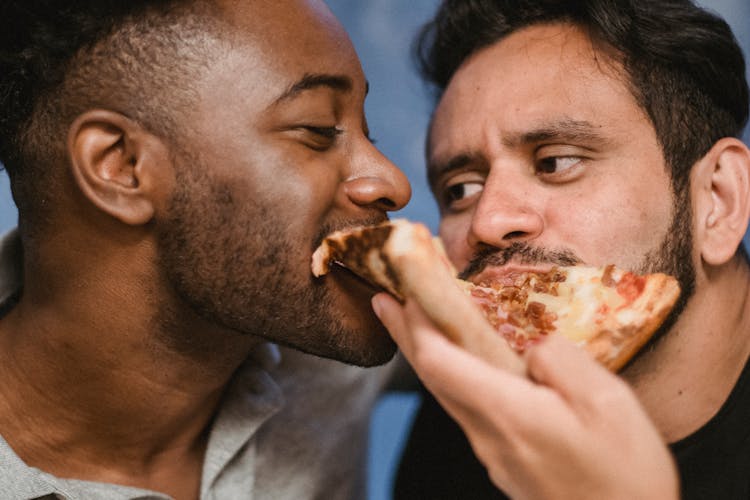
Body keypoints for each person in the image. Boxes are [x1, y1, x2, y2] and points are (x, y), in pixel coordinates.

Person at [0, 0, 412, 498]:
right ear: (123, 166)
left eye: (368, 133)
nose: (393, 182)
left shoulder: (334, 330)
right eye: (319, 131)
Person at [374, 0, 750, 499]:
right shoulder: (465, 427)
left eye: (555, 162)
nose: (487, 222)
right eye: (460, 190)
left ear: (717, 202)